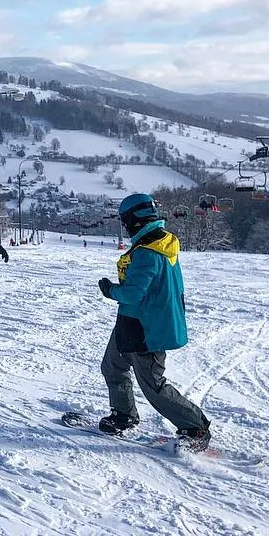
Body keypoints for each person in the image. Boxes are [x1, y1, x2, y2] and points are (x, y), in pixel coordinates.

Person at [71, 192, 211, 451]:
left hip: (147, 328)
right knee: (113, 366)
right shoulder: (160, 240)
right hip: (131, 323)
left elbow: (134, 292)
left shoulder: (149, 252)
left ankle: (195, 425)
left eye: (125, 221)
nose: (124, 226)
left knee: (152, 385)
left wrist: (110, 290)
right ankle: (124, 415)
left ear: (134, 220)